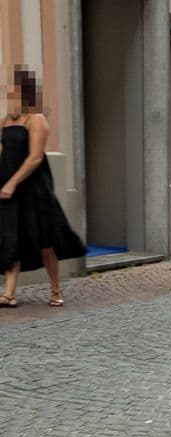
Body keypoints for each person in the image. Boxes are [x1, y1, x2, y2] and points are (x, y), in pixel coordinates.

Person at [0, 66, 86, 308]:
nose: (7, 92)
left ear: (22, 91)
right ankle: (9, 293)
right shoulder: (5, 121)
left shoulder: (36, 119)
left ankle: (56, 290)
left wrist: (12, 183)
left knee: (44, 241)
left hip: (34, 189)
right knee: (11, 238)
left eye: (12, 88)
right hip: (9, 189)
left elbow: (35, 157)